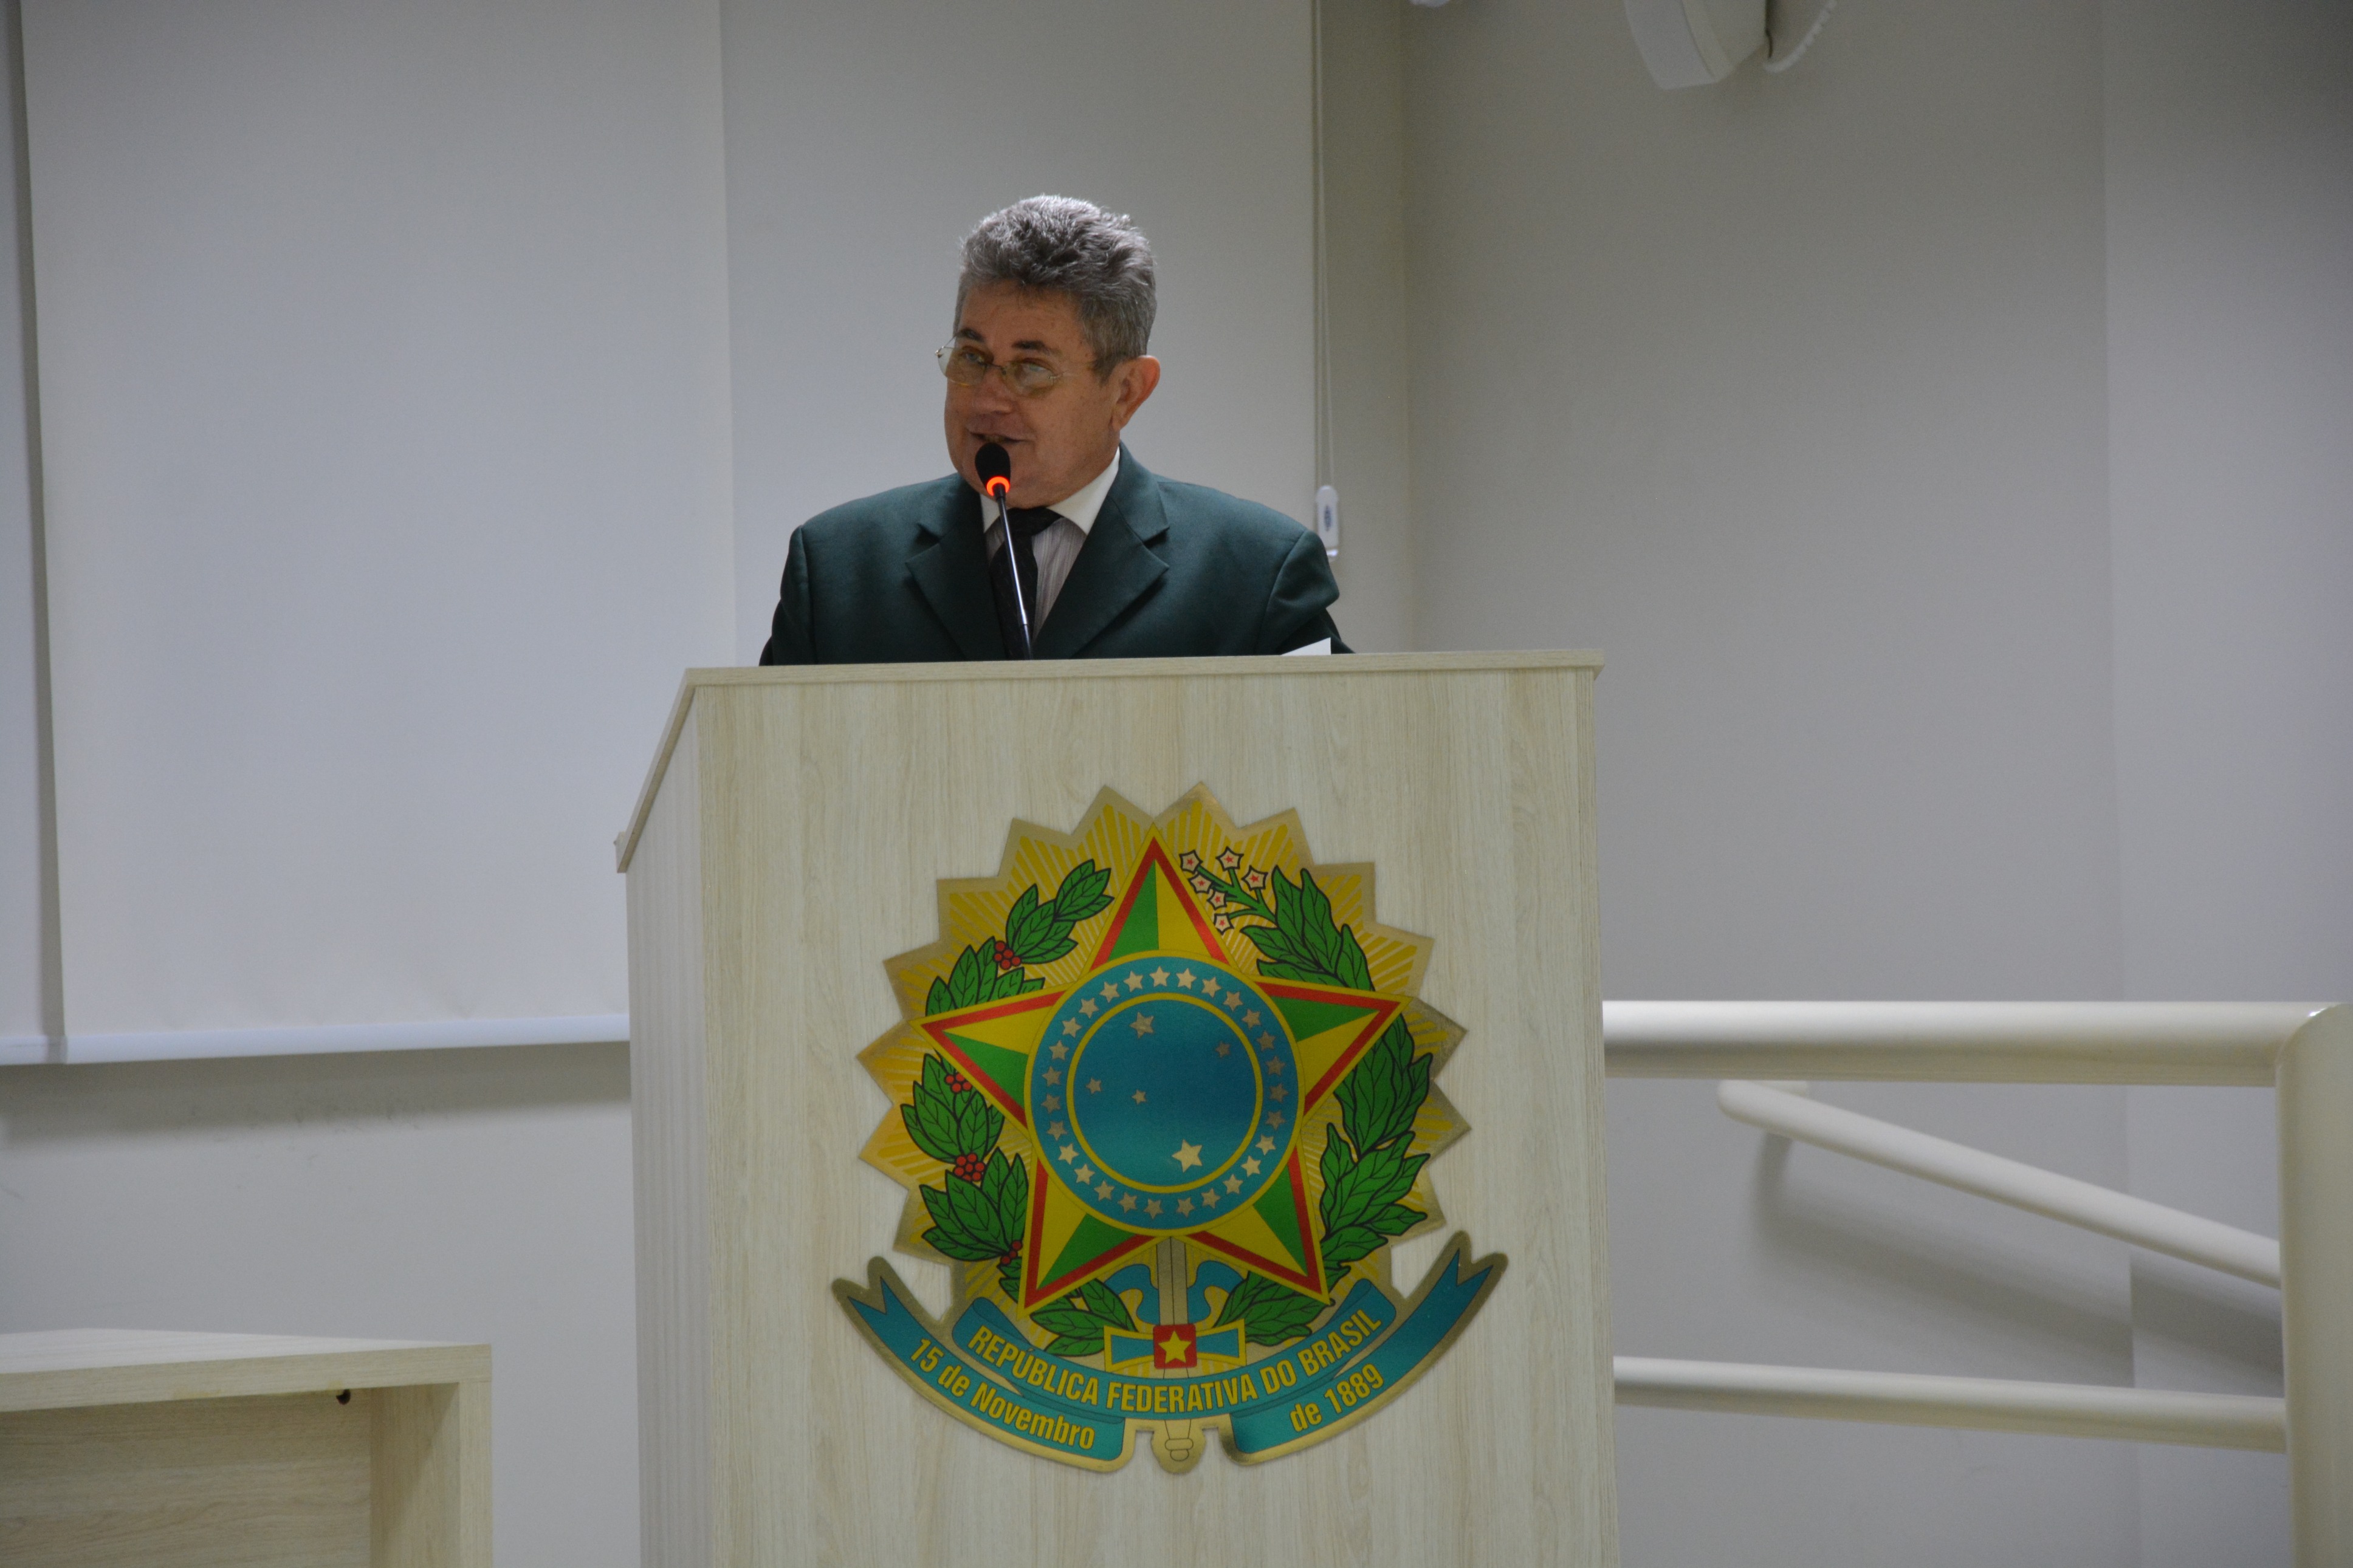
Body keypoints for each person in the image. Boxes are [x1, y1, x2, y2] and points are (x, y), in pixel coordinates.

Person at [758, 196, 1348, 664]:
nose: (987, 398)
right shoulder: (838, 570)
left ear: (1126, 391)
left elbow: (1335, 763)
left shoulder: (1256, 574)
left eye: (1031, 369)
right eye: (972, 357)